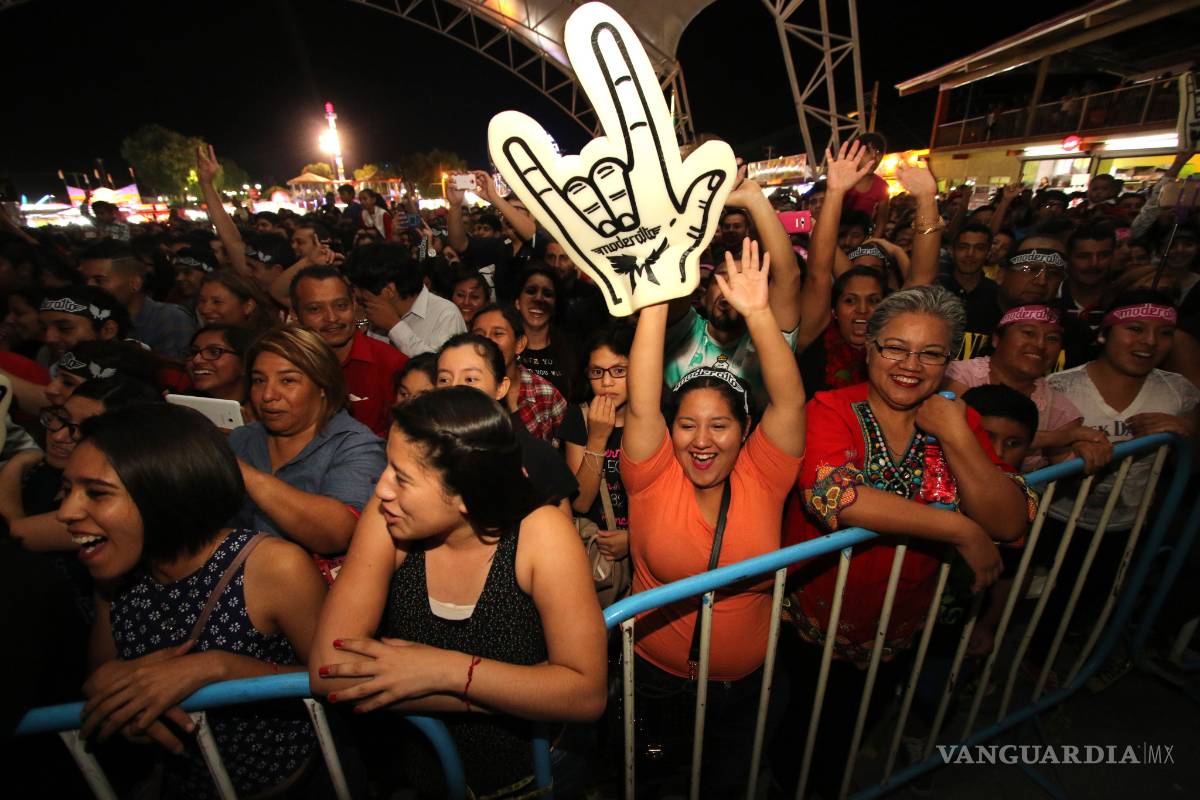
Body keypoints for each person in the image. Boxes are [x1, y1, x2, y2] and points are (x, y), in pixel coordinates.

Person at [777, 285, 1034, 797]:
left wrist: (957, 434)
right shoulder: (830, 408)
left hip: (903, 622)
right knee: (796, 733)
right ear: (868, 348)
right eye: (895, 347)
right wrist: (960, 528)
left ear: (948, 361)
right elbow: (835, 497)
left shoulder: (961, 421)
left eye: (930, 353)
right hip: (812, 623)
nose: (910, 364)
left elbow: (1008, 523)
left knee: (854, 726)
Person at [308, 386, 606, 797]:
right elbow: (330, 671)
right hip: (425, 779)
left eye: (403, 477)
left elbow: (585, 694)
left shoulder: (541, 534)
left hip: (535, 778)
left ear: (466, 494)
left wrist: (441, 670)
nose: (381, 490)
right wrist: (522, 693)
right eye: (386, 467)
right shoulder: (389, 521)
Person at [67, 404, 327, 799]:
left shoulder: (272, 566)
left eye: (97, 494)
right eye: (66, 489)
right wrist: (110, 693)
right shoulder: (113, 575)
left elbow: (334, 682)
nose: (67, 512)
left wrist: (219, 668)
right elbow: (104, 676)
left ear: (165, 489)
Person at [622, 240, 805, 796]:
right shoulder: (652, 477)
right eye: (687, 426)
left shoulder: (764, 475)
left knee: (731, 785)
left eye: (719, 426)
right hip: (653, 682)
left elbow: (790, 402)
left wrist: (758, 314)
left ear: (744, 431)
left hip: (745, 689)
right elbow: (641, 403)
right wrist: (655, 304)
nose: (701, 442)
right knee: (652, 784)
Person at [794, 142, 942, 396]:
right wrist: (835, 192)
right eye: (850, 300)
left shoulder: (897, 348)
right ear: (834, 309)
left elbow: (922, 277)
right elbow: (819, 271)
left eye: (874, 300)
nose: (862, 310)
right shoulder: (814, 331)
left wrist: (927, 199)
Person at [228, 326, 386, 556]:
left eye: (287, 381)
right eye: (259, 380)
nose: (268, 395)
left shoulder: (355, 446)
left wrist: (242, 472)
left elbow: (337, 534)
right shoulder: (243, 439)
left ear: (322, 385)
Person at [663, 177, 804, 401]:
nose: (732, 288)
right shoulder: (684, 332)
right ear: (703, 294)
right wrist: (698, 205)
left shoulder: (768, 340)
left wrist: (755, 199)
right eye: (722, 278)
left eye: (743, 279)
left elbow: (789, 277)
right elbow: (674, 272)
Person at [943, 305, 1111, 471]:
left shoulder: (1061, 411)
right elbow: (961, 429)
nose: (1040, 345)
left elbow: (1068, 474)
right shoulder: (955, 376)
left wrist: (1087, 453)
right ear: (997, 339)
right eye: (1029, 333)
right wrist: (1061, 437)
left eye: (1052, 338)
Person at [435, 333, 578, 515]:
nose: (454, 389)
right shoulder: (422, 451)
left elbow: (561, 538)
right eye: (444, 380)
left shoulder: (534, 455)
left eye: (470, 379)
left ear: (501, 388)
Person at [289, 266, 408, 437]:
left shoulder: (392, 364)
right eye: (315, 309)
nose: (331, 318)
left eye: (341, 306)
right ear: (295, 314)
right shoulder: (285, 364)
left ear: (353, 305)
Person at [561, 324, 634, 572]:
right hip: (597, 551)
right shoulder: (578, 416)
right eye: (597, 372)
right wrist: (597, 438)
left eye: (619, 370)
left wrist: (634, 538)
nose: (606, 382)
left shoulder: (656, 420)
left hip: (647, 548)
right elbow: (580, 503)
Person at [342, 242, 465, 357]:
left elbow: (438, 369)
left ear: (388, 290)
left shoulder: (446, 314)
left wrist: (394, 327)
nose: (356, 295)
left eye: (358, 289)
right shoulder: (374, 315)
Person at [78, 242, 195, 359]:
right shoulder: (86, 317)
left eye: (99, 281)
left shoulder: (169, 318)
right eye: (84, 280)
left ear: (134, 283)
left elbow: (172, 373)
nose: (88, 286)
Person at [470, 303, 566, 443]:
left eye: (498, 333)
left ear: (519, 344)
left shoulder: (545, 394)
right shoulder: (462, 389)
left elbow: (562, 457)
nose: (488, 341)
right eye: (479, 335)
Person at [513, 266, 576, 400]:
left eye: (547, 294)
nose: (539, 299)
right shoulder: (506, 347)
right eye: (531, 291)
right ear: (517, 302)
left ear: (555, 306)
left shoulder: (571, 350)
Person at [938, 223, 999, 359]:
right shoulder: (935, 289)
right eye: (963, 247)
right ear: (951, 251)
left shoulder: (998, 295)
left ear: (989, 252)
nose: (970, 254)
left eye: (979, 248)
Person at [186, 324, 254, 410]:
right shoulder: (182, 409)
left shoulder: (263, 412)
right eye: (193, 352)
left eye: (214, 352)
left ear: (244, 362)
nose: (196, 360)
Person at [196, 269, 276, 332]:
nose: (205, 310)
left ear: (248, 306)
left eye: (217, 302)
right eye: (202, 300)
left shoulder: (266, 347)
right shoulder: (201, 340)